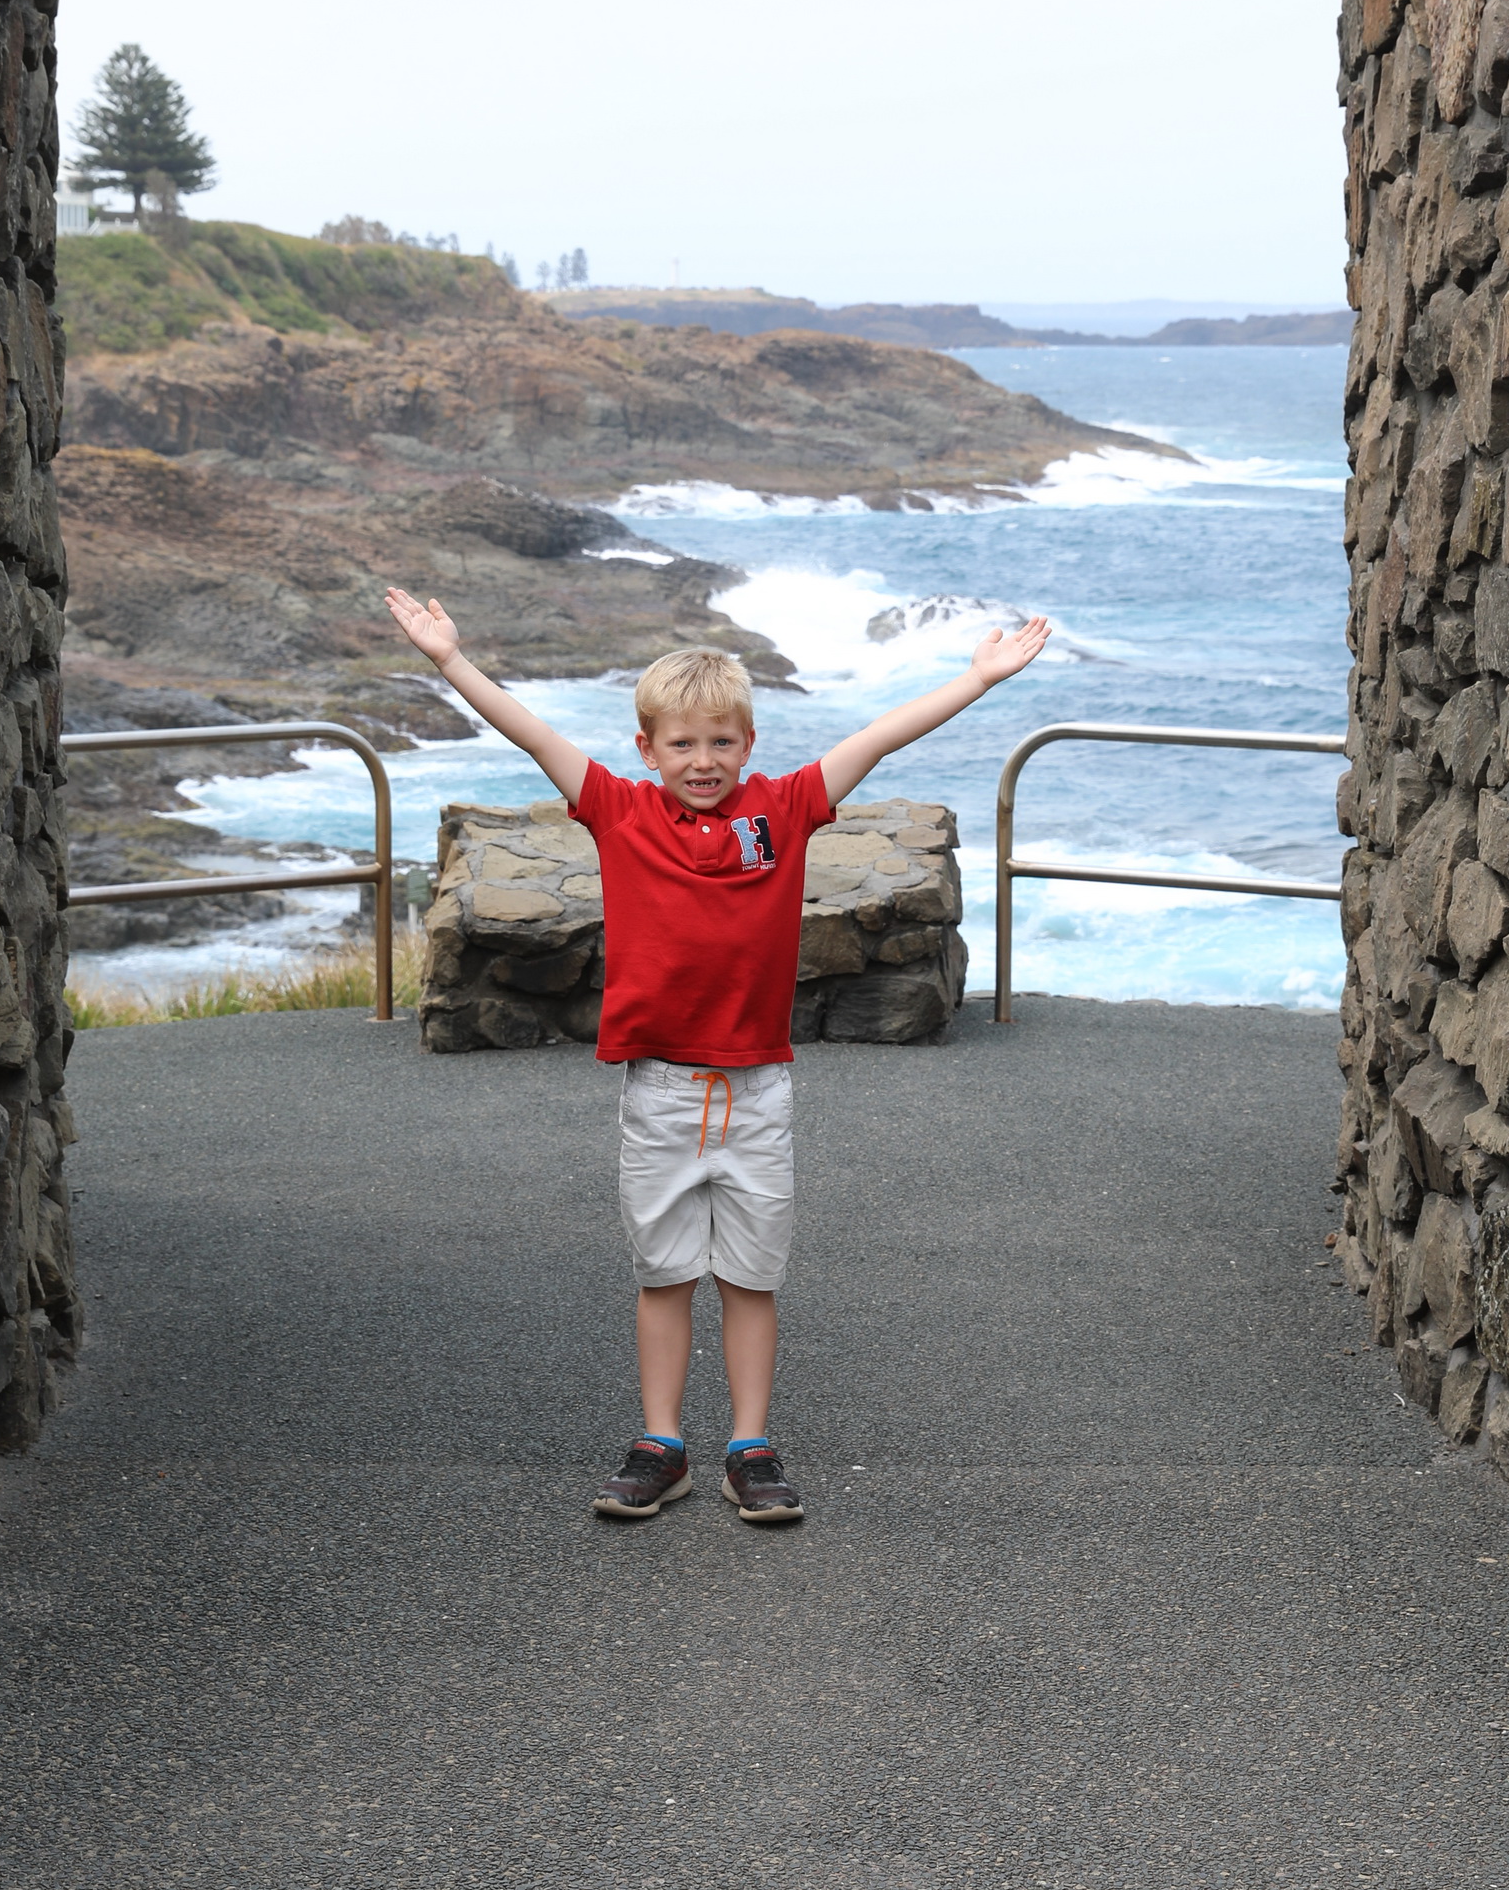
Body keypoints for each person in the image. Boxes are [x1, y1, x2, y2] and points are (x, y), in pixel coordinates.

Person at [382, 590, 1052, 1525]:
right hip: (660, 1087)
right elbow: (532, 735)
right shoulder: (617, 810)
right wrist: (450, 662)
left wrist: (976, 679)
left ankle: (750, 1445)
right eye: (683, 745)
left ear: (749, 743)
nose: (704, 762)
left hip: (758, 1090)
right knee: (664, 1273)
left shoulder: (786, 809)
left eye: (722, 743)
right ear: (648, 749)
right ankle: (662, 1444)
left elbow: (880, 739)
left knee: (751, 1274)